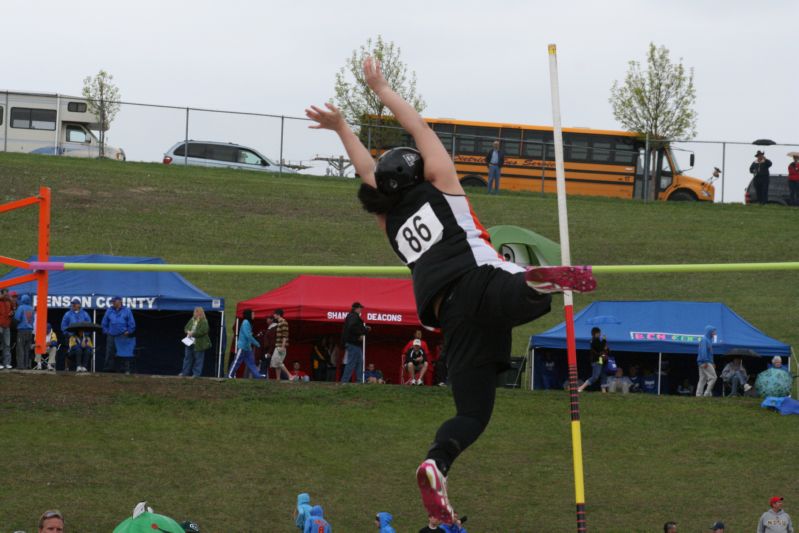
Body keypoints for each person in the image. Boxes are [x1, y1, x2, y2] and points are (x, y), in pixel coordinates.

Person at [306, 56, 594, 523]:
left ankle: (436, 463)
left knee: (473, 414)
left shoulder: (389, 220)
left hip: (450, 316)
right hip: (481, 280)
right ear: (419, 172)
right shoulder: (441, 183)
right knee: (521, 292)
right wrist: (380, 88)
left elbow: (366, 172)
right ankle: (538, 278)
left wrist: (342, 126)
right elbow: (416, 124)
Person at [101, 296, 136, 373]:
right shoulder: (109, 310)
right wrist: (106, 331)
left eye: (114, 301)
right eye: (112, 302)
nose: (112, 303)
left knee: (124, 352)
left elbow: (132, 323)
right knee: (109, 352)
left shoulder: (127, 310)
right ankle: (109, 369)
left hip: (122, 334)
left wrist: (129, 331)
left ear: (119, 301)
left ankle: (125, 369)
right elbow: (104, 323)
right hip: (111, 335)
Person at [228, 309, 265, 379]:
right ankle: (230, 375)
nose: (254, 315)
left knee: (251, 363)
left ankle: (257, 376)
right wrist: (257, 343)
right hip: (242, 347)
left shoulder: (248, 323)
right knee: (237, 362)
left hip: (247, 347)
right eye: (253, 314)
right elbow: (248, 335)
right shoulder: (245, 322)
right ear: (249, 315)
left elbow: (249, 335)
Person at [340, 302, 369, 383]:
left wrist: (363, 329)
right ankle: (344, 381)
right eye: (360, 308)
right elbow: (352, 327)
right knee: (351, 363)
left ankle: (359, 381)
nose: (361, 310)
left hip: (354, 343)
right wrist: (361, 333)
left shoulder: (351, 316)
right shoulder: (354, 316)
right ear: (356, 308)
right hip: (353, 343)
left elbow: (352, 327)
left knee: (360, 362)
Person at [181, 307, 211, 378]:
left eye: (197, 312)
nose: (196, 313)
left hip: (199, 344)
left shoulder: (204, 321)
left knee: (198, 359)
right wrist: (187, 331)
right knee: (187, 358)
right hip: (189, 343)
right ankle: (185, 373)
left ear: (201, 313)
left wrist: (193, 333)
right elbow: (186, 327)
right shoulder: (192, 320)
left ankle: (196, 374)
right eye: (195, 312)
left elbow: (203, 331)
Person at [577, 327, 607, 393]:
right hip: (596, 361)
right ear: (596, 333)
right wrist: (604, 340)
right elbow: (600, 348)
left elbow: (601, 349)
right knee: (595, 377)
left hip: (599, 360)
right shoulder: (594, 340)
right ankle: (581, 387)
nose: (600, 334)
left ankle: (603, 390)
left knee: (603, 374)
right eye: (599, 333)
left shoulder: (596, 340)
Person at [270, 309, 293, 381]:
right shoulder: (279, 323)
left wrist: (282, 347)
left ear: (278, 315)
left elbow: (285, 335)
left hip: (280, 346)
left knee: (277, 361)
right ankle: (278, 379)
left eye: (274, 314)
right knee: (277, 364)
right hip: (278, 345)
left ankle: (290, 375)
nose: (273, 315)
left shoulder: (283, 322)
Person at [13, 293, 34, 370]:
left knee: (20, 348)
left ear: (22, 300)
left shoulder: (21, 307)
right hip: (30, 331)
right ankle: (27, 365)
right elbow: (33, 320)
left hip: (22, 330)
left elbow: (17, 318)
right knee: (27, 349)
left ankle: (20, 366)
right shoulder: (31, 308)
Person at [696, 325, 717, 397]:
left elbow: (710, 353)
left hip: (703, 362)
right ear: (710, 331)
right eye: (714, 331)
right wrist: (705, 361)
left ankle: (699, 395)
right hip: (705, 362)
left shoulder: (708, 340)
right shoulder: (705, 340)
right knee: (713, 377)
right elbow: (703, 351)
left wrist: (712, 362)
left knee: (702, 379)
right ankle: (707, 393)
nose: (715, 333)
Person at [0, 288, 13, 369]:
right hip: (0, 325)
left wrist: (12, 313)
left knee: (7, 345)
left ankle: (6, 363)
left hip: (7, 325)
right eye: (5, 293)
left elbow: (13, 310)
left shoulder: (9, 302)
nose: (6, 294)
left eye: (7, 293)